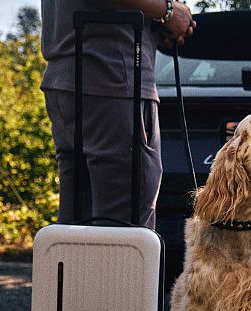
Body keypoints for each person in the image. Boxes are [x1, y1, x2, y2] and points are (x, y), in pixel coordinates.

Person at [39, 1, 195, 228]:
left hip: (70, 75)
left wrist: (155, 23)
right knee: (123, 231)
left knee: (76, 228)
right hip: (112, 77)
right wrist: (168, 10)